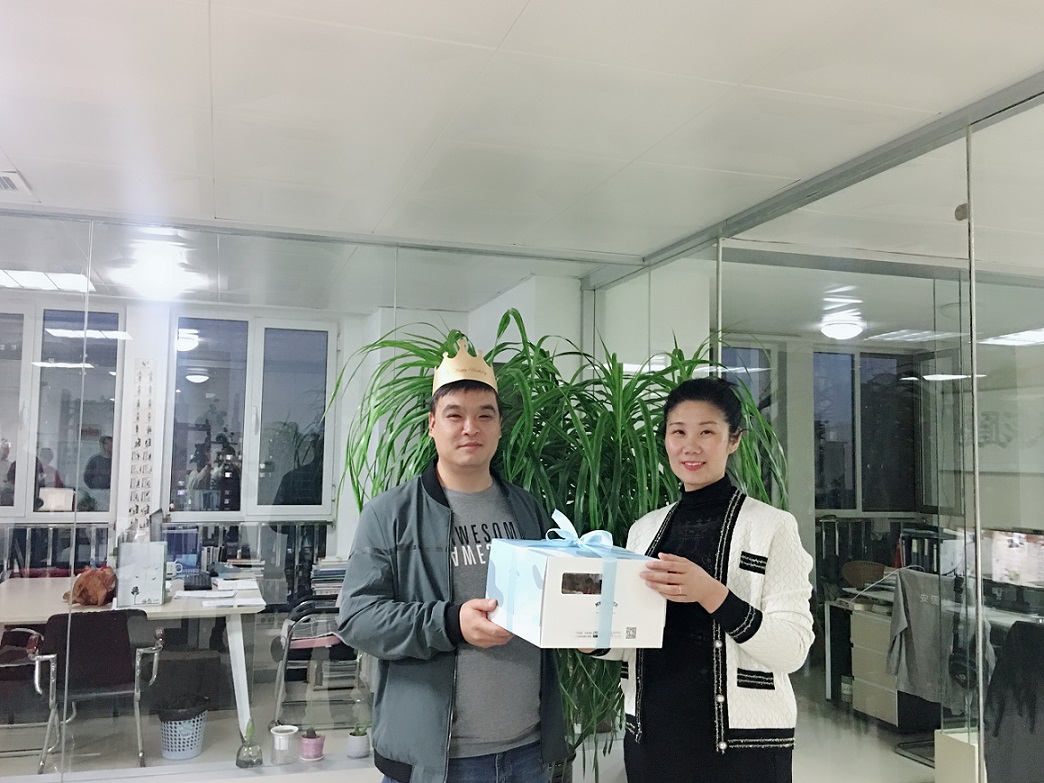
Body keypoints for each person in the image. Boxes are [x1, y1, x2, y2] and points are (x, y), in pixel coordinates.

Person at [337, 339, 568, 783]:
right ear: (432, 425)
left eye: (485, 415)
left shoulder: (527, 509)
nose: (470, 428)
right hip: (438, 760)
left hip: (528, 750)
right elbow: (357, 618)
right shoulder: (390, 514)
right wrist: (451, 622)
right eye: (455, 415)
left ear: (500, 427)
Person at [597, 377, 813, 783]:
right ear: (665, 440)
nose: (690, 446)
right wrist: (589, 637)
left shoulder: (772, 527)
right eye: (678, 432)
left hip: (742, 749)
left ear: (734, 440)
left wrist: (711, 593)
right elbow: (632, 640)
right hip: (653, 737)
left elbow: (792, 650)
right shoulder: (644, 530)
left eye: (707, 432)